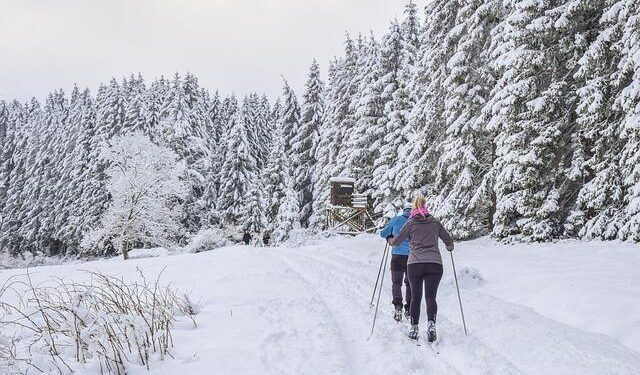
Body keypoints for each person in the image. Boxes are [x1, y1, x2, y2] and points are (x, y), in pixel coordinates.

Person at [388, 192, 454, 343]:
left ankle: (414, 327)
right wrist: (449, 246)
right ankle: (431, 324)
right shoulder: (435, 222)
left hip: (415, 264)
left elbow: (397, 241)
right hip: (435, 264)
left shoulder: (410, 223)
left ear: (414, 208)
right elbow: (448, 240)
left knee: (416, 297)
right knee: (431, 297)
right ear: (425, 207)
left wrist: (390, 239)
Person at [379, 202, 413, 321]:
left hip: (397, 255)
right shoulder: (416, 221)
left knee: (396, 282)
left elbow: (383, 233)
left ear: (403, 210)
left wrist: (389, 236)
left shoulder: (396, 219)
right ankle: (409, 308)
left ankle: (398, 306)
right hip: (412, 257)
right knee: (410, 283)